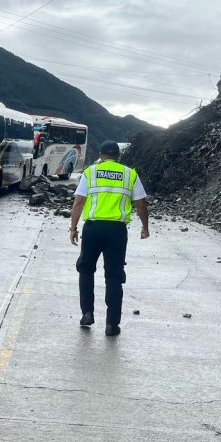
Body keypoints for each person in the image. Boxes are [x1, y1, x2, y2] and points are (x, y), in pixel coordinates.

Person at [69, 140, 149, 336]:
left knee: (86, 269)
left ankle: (87, 313)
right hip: (117, 231)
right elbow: (141, 204)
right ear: (118, 156)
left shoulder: (91, 172)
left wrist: (73, 228)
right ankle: (112, 325)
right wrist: (145, 227)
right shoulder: (129, 174)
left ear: (100, 155)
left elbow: (79, 201)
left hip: (93, 228)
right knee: (114, 275)